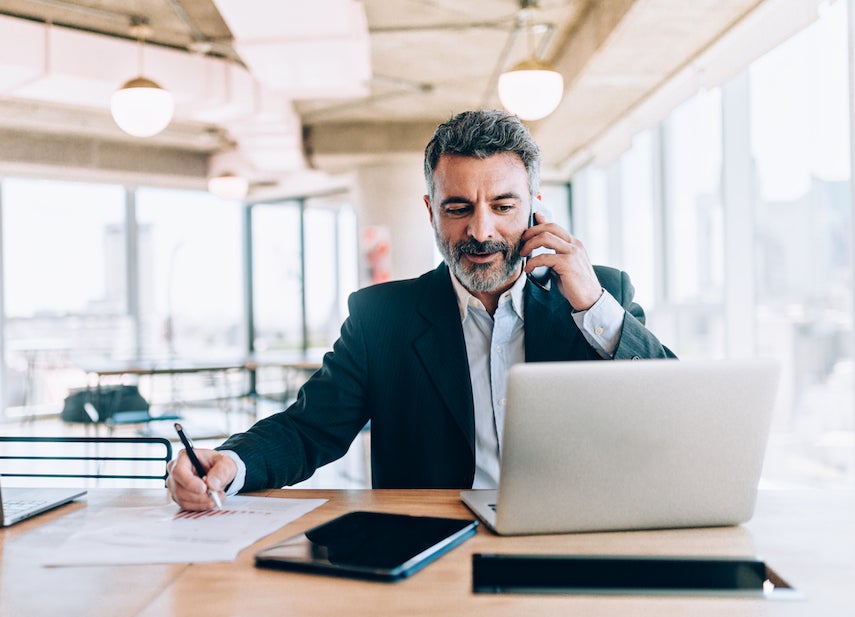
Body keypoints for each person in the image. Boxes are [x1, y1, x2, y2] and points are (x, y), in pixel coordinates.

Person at [168, 109, 676, 511]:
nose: (481, 231)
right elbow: (308, 429)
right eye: (459, 208)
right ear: (432, 211)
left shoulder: (599, 294)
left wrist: (594, 309)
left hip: (572, 540)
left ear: (534, 206)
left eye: (502, 206)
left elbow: (669, 415)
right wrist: (231, 462)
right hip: (429, 546)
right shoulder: (382, 318)